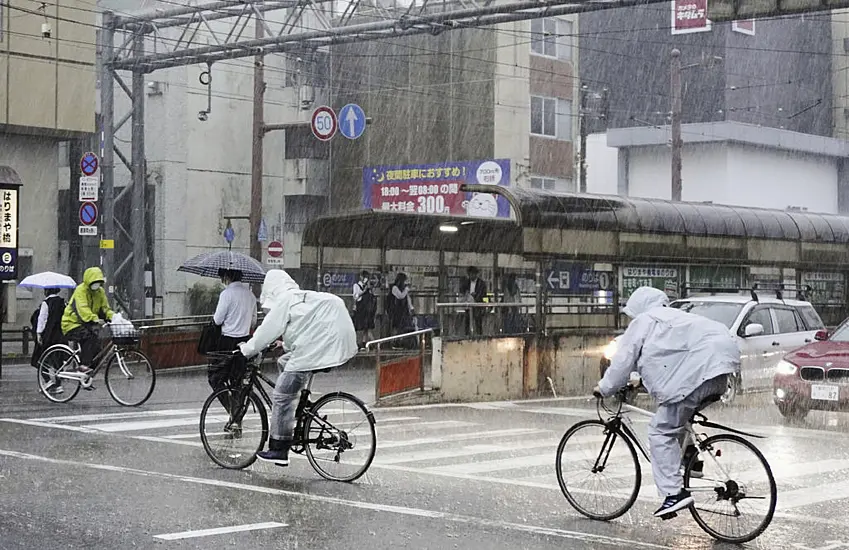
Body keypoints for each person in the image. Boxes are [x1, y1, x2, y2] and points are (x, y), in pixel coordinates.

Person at [594, 286, 741, 518]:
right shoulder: (677, 318)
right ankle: (692, 461)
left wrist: (604, 389)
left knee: (660, 431)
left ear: (640, 307)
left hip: (699, 373)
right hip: (720, 372)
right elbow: (668, 358)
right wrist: (639, 381)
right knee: (678, 418)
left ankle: (674, 494)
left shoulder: (644, 321)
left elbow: (623, 361)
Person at [238, 269, 357, 466]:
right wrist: (283, 345)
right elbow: (306, 328)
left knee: (282, 396)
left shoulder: (285, 300)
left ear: (271, 289)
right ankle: (301, 407)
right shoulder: (300, 297)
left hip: (318, 347)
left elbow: (266, 330)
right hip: (334, 338)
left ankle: (279, 449)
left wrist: (247, 350)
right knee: (284, 362)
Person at [208, 269, 257, 413]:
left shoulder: (226, 294)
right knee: (238, 381)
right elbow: (253, 322)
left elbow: (217, 320)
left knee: (215, 378)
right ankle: (237, 416)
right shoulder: (251, 295)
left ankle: (231, 410)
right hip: (244, 343)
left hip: (226, 342)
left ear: (227, 277)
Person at [61, 267, 114, 375]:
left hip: (86, 323)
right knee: (88, 337)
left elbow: (105, 308)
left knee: (98, 346)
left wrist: (114, 317)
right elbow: (83, 310)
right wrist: (96, 319)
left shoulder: (100, 292)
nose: (96, 284)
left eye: (98, 282)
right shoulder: (80, 290)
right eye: (94, 282)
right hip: (71, 323)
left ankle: (88, 375)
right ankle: (83, 366)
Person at [31, 287, 68, 394]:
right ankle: (58, 384)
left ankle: (47, 380)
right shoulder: (63, 303)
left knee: (41, 358)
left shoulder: (46, 303)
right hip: (60, 335)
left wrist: (38, 334)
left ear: (47, 291)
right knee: (58, 360)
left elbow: (42, 319)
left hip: (49, 336)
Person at [386, 272, 414, 345]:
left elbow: (407, 299)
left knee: (401, 326)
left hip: (403, 310)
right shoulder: (394, 288)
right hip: (396, 310)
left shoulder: (403, 288)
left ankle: (399, 341)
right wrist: (406, 289)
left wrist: (411, 308)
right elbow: (400, 296)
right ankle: (393, 341)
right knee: (396, 326)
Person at [352, 270, 377, 349]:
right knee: (361, 327)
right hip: (361, 309)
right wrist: (363, 291)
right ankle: (372, 343)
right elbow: (356, 296)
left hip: (368, 310)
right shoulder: (356, 285)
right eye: (365, 277)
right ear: (361, 277)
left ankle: (364, 342)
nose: (366, 279)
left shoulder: (368, 287)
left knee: (367, 327)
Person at [459, 266, 487, 335]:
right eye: (470, 274)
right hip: (468, 305)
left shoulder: (481, 283)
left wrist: (476, 295)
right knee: (467, 322)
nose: (471, 276)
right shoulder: (466, 282)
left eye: (473, 274)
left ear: (476, 274)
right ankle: (467, 335)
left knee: (478, 322)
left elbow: (484, 293)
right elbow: (462, 290)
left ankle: (479, 336)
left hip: (477, 305)